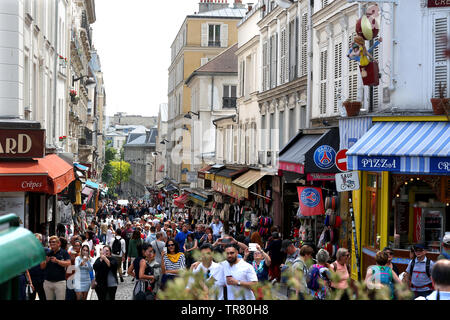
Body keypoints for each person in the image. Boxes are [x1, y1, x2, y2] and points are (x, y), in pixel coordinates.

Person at [40, 236, 71, 300]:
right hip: (48, 282)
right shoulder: (48, 253)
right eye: (50, 242)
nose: (51, 244)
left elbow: (68, 263)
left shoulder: (64, 252)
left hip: (60, 282)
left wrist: (57, 261)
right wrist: (46, 261)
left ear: (58, 243)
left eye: (53, 242)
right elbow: (42, 267)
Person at [29, 233, 49, 300]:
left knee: (43, 297)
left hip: (43, 279)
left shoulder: (46, 250)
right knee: (31, 297)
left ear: (40, 240)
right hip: (32, 278)